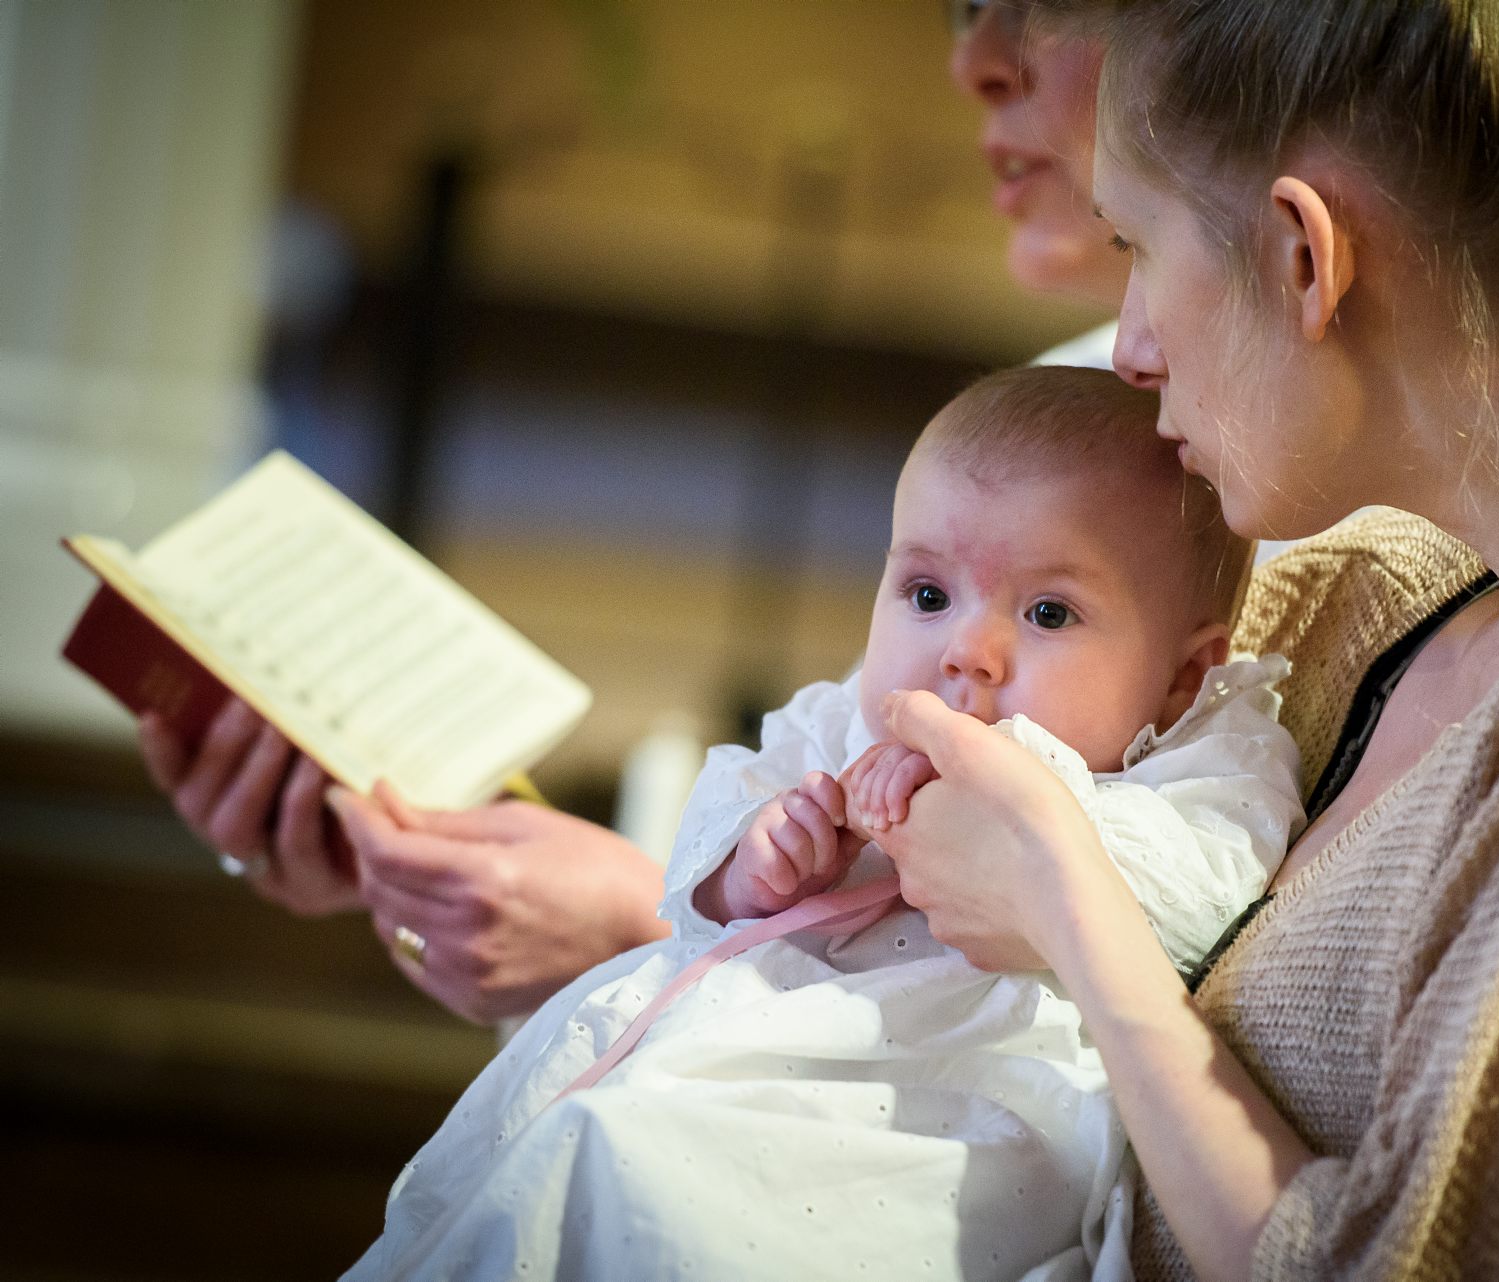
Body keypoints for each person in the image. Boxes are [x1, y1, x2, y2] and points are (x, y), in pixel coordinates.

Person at [853, 0, 1499, 1277]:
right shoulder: (1383, 591)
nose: (1130, 347)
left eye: (1138, 245)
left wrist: (1070, 909)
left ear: (1307, 254)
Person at [133, 0, 1127, 1024]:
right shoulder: (1045, 399)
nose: (973, 63)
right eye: (964, 9)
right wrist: (418, 853)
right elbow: (830, 806)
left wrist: (630, 929)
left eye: (1041, 6)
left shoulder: (1212, 489)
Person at [341, 365, 1305, 1280]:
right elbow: (714, 826)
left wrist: (1015, 788)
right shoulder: (841, 723)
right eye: (927, 596)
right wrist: (757, 859)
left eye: (1050, 613)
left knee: (629, 1173)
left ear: (1183, 675)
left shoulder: (1210, 756)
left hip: (945, 1124)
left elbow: (1203, 913)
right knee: (566, 1156)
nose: (968, 650)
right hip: (728, 1066)